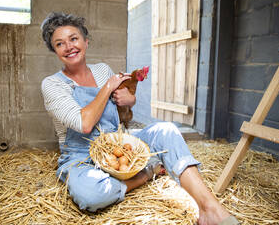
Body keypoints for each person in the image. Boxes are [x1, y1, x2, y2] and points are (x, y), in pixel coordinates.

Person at [40, 12, 239, 225]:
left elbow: (120, 116)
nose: (69, 46)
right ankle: (146, 172)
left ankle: (211, 210)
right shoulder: (52, 84)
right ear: (55, 51)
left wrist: (129, 101)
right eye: (60, 44)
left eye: (73, 38)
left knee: (166, 130)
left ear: (86, 42)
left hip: (119, 144)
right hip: (82, 156)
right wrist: (108, 87)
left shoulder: (102, 70)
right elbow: (85, 123)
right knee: (90, 195)